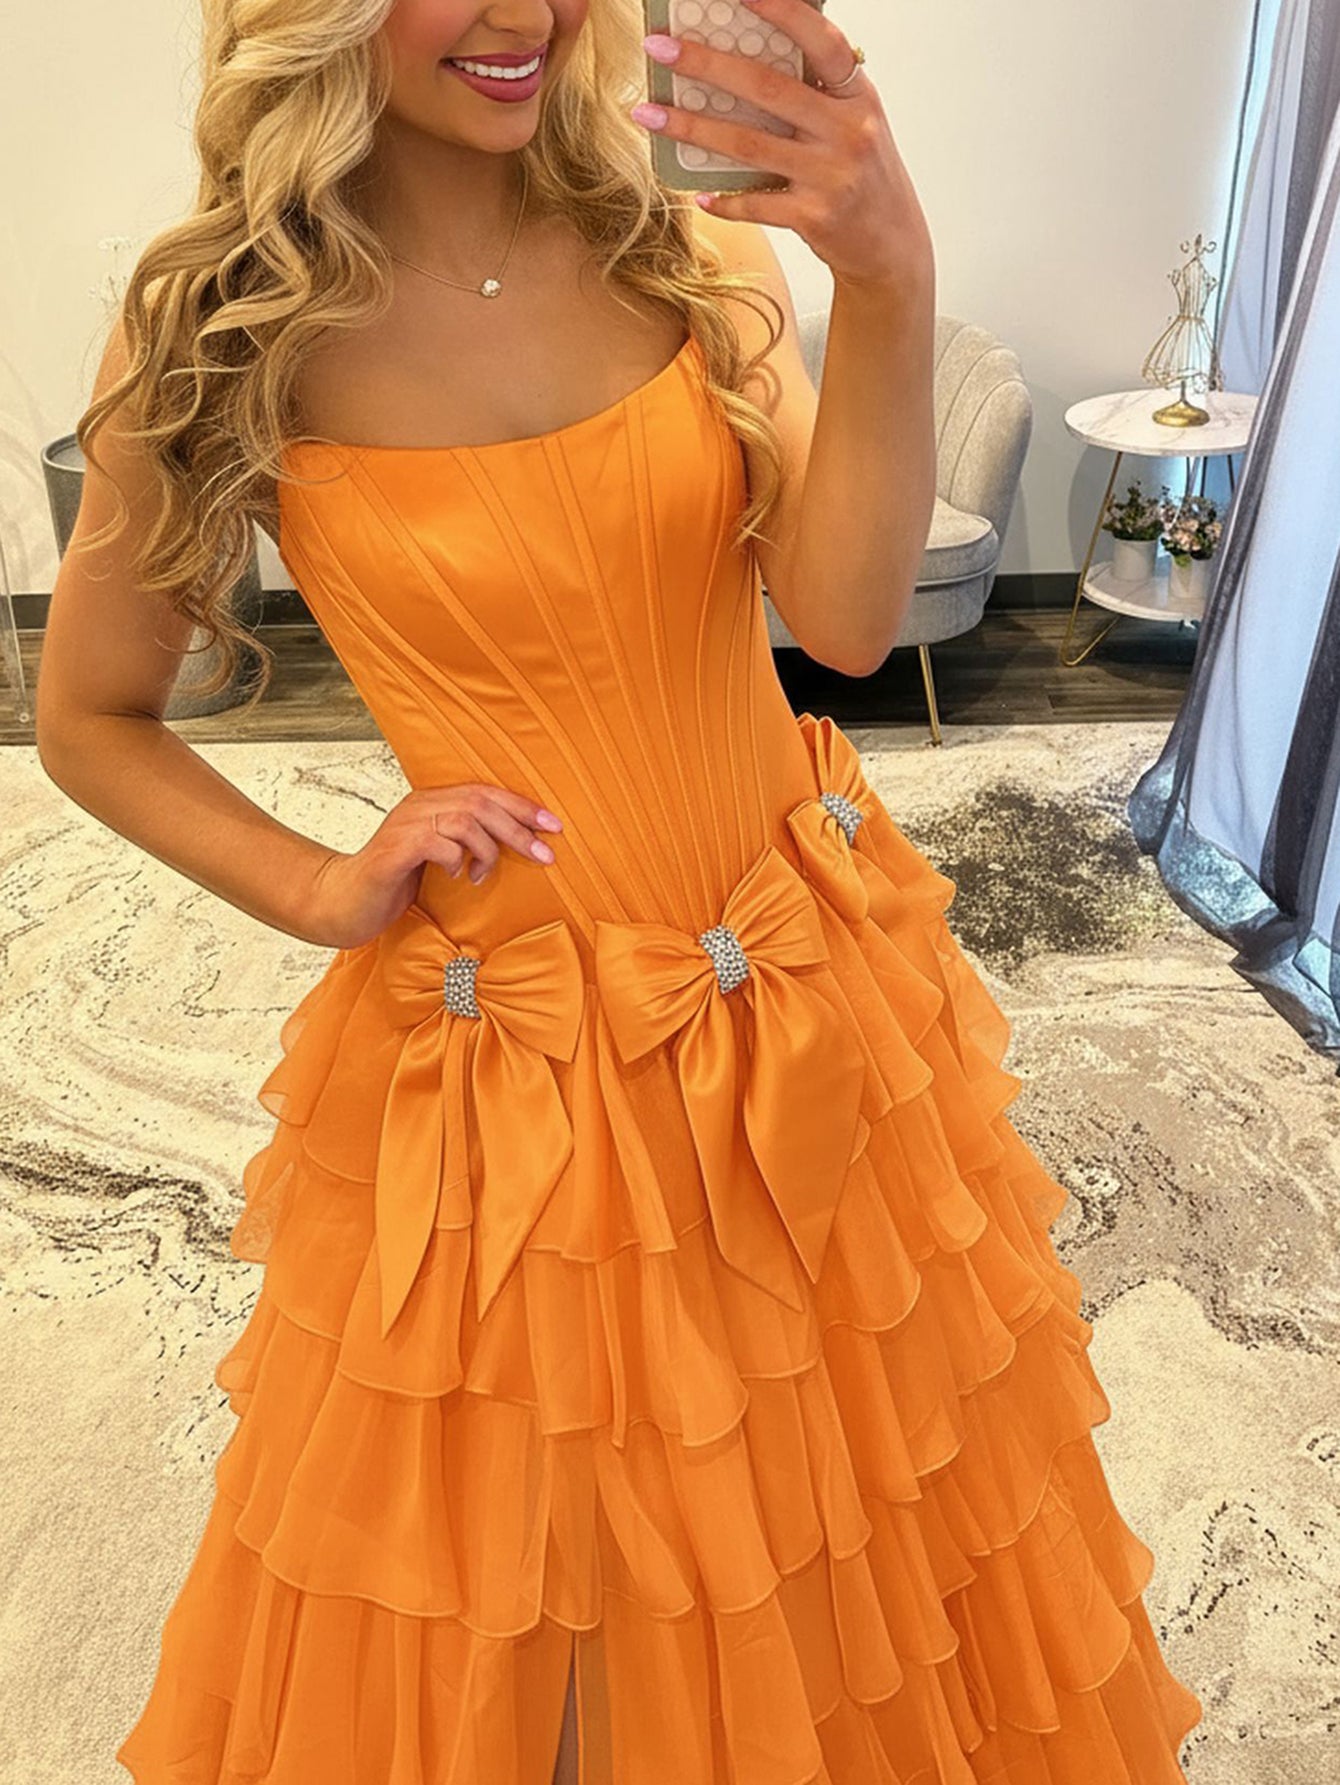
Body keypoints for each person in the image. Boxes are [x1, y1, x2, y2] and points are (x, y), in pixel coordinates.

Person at [35, 1, 1204, 1779]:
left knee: (874, 1508)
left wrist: (889, 277)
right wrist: (321, 884)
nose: (526, 14)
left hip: (801, 984)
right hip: (521, 1067)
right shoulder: (226, 316)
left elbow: (847, 620)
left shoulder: (685, 238)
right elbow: (90, 716)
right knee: (551, 1595)